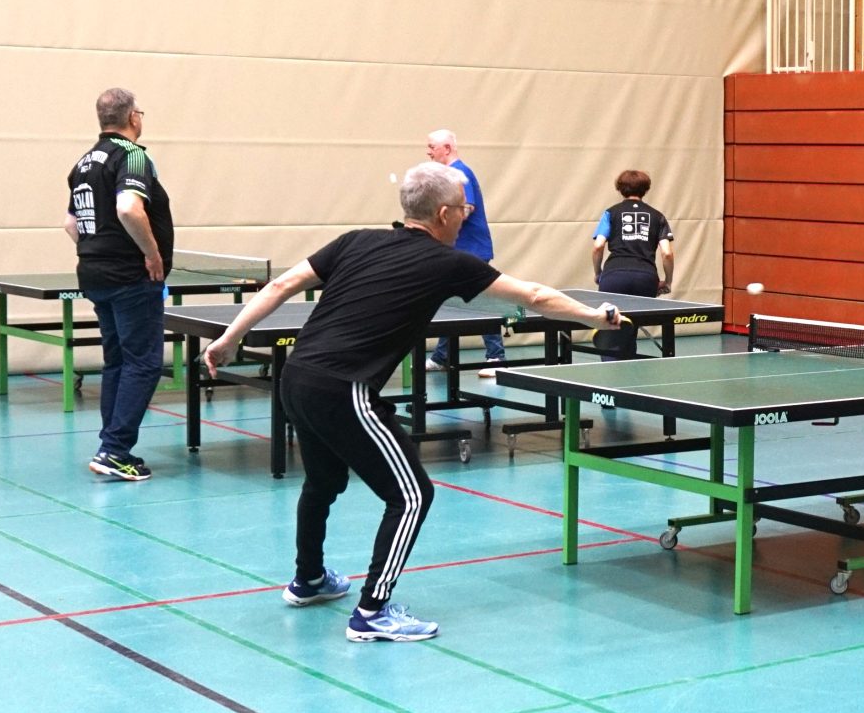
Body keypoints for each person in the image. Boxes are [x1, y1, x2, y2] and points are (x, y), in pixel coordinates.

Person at [200, 163, 626, 644]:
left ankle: (310, 579)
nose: (465, 216)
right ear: (443, 214)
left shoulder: (355, 241)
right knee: (412, 495)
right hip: (343, 388)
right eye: (464, 209)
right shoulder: (449, 263)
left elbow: (281, 285)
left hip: (296, 378)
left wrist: (229, 339)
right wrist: (595, 316)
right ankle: (371, 612)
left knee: (323, 481)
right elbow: (533, 295)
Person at [64, 89, 173, 480]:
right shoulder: (132, 156)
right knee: (143, 363)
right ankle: (114, 450)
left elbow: (71, 224)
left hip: (95, 274)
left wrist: (99, 252)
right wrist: (152, 254)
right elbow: (128, 207)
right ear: (132, 117)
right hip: (131, 277)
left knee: (118, 361)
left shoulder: (82, 163)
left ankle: (109, 445)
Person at [423, 129, 507, 376]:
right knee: (452, 303)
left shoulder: (461, 173)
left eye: (432, 147)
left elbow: (467, 208)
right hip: (457, 251)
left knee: (480, 302)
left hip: (473, 250)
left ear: (447, 148)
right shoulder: (448, 176)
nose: (428, 152)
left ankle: (496, 358)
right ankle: (441, 357)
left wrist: (438, 222)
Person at [589, 168, 674, 360]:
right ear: (646, 189)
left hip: (614, 275)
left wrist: (598, 272)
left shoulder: (610, 213)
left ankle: (610, 372)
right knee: (631, 327)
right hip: (646, 278)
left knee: (611, 328)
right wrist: (667, 281)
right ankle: (628, 371)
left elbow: (598, 246)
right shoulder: (658, 216)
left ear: (620, 189)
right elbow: (667, 253)